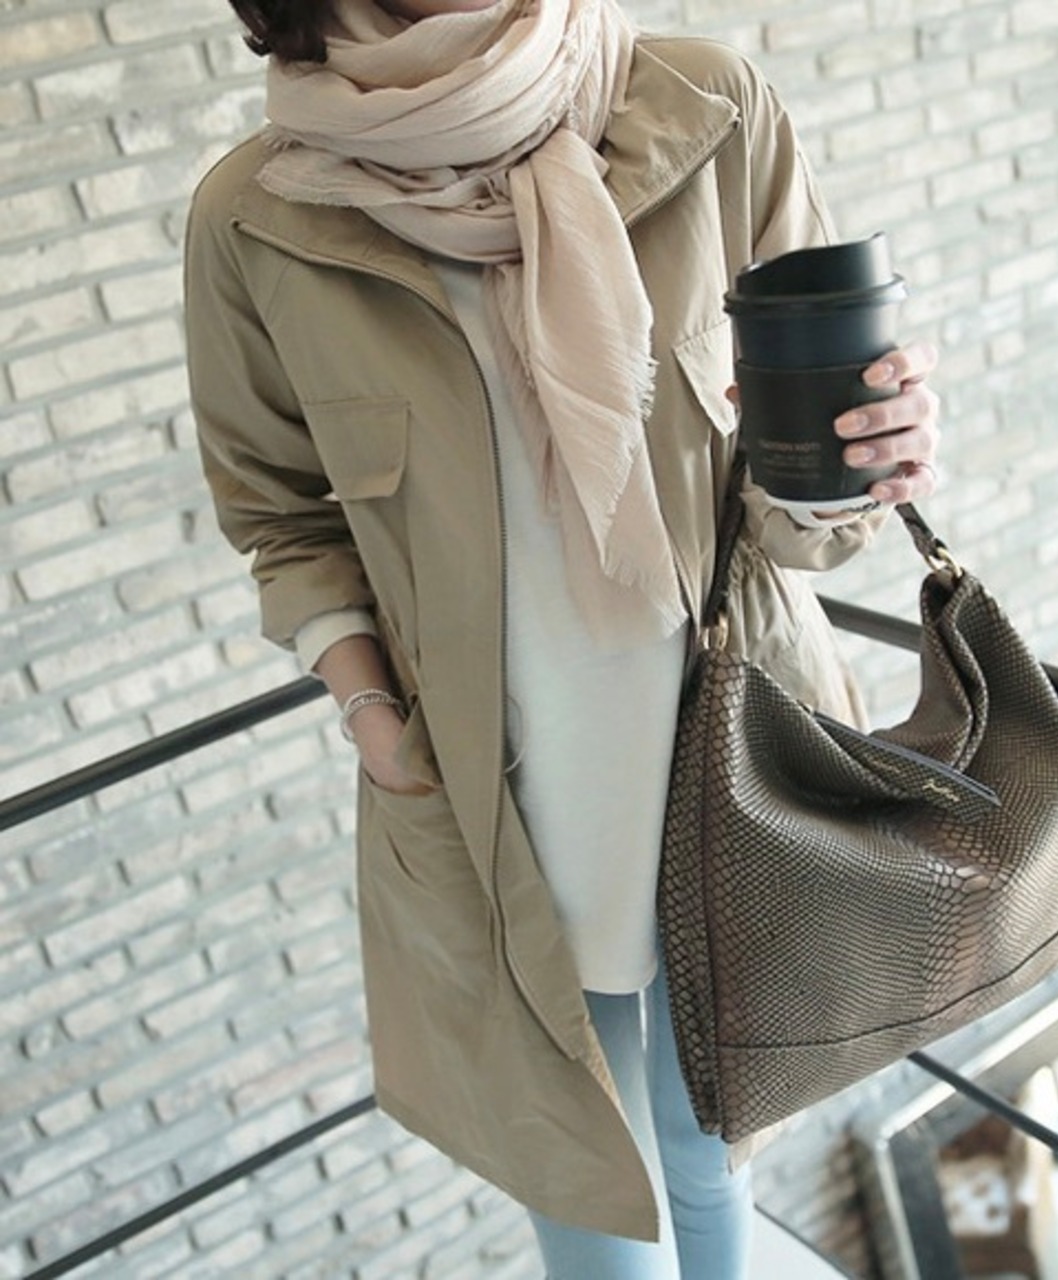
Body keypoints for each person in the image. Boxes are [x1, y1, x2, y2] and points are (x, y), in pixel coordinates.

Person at [184, 0, 941, 1275]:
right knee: (588, 1192)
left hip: (730, 756)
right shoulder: (256, 218)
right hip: (495, 799)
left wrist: (865, 454)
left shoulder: (703, 108)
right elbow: (279, 510)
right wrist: (376, 721)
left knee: (711, 1152)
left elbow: (804, 497)